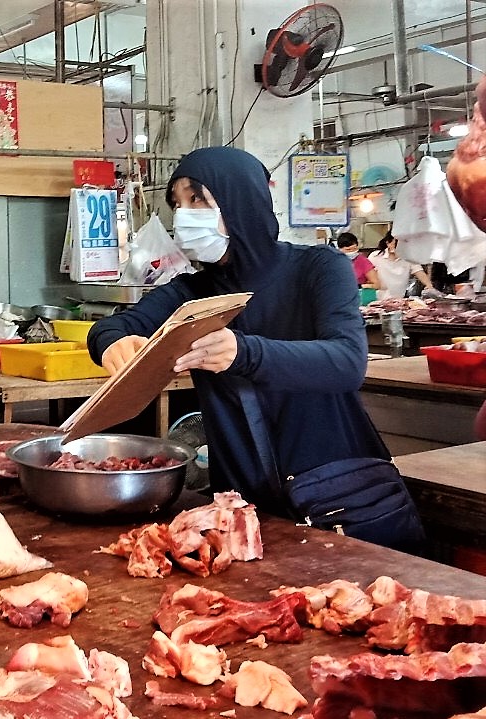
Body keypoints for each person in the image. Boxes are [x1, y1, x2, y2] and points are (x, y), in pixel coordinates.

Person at [87, 146, 423, 552]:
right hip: (241, 503)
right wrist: (111, 343)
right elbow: (114, 326)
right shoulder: (192, 292)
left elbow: (347, 361)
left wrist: (244, 353)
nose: (183, 215)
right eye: (177, 203)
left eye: (197, 199)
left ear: (239, 199)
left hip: (335, 492)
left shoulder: (319, 269)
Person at [368, 232, 437, 300]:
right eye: (396, 243)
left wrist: (429, 285)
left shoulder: (409, 258)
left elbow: (419, 272)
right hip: (376, 299)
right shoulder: (375, 256)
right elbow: (366, 273)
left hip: (398, 299)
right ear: (388, 243)